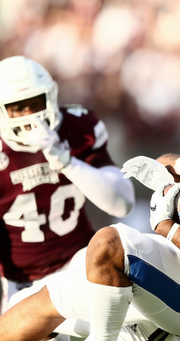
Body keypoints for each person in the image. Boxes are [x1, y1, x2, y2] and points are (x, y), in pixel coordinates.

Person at [0, 61, 180, 341]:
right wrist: (175, 175)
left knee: (110, 245)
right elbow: (177, 164)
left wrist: (166, 225)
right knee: (30, 303)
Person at [0, 55, 135, 329]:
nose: (30, 116)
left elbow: (123, 203)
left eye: (36, 103)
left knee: (127, 327)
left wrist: (67, 162)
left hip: (79, 263)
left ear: (51, 97)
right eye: (18, 108)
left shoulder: (76, 127)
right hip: (20, 282)